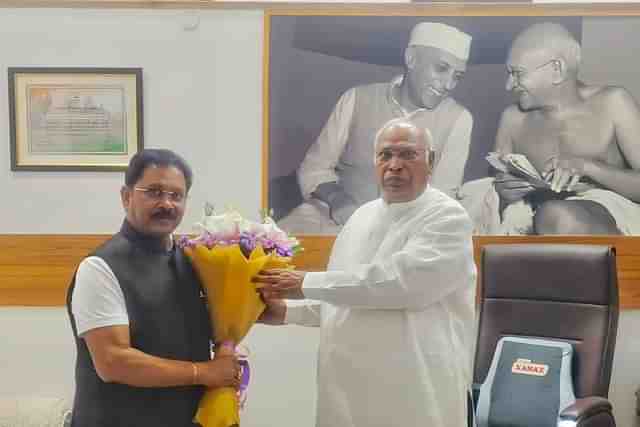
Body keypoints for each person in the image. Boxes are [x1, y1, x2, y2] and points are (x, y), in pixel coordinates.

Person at [256, 118, 477, 427]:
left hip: (413, 388)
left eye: (407, 154)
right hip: (347, 389)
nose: (394, 165)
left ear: (431, 160)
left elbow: (402, 284)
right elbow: (347, 296)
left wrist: (305, 282)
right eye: (385, 155)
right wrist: (287, 313)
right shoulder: (360, 218)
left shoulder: (447, 217)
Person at [66, 149, 241, 426]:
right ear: (126, 197)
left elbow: (215, 326)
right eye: (154, 192)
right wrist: (202, 372)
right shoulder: (100, 267)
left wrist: (226, 354)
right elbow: (113, 362)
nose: (167, 204)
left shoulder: (195, 261)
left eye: (176, 195)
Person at [278, 22, 473, 234]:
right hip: (334, 219)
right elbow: (314, 168)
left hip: (408, 230)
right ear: (411, 58)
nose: (449, 84)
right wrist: (337, 199)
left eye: (457, 76)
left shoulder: (459, 119)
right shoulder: (356, 98)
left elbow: (442, 196)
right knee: (279, 246)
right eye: (442, 68)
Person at [493, 22, 640, 234]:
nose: (509, 85)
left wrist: (587, 167)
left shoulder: (613, 103)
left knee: (556, 216)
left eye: (517, 73)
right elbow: (497, 201)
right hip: (535, 228)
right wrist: (503, 194)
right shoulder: (512, 119)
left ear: (556, 70)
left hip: (613, 227)